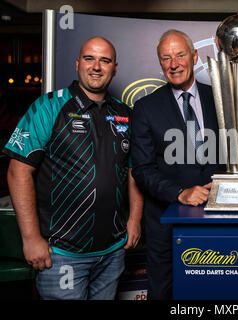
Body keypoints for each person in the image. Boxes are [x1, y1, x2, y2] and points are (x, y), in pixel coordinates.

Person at [131, 29, 238, 300]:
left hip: (216, 219)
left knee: (214, 292)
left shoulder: (221, 98)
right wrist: (179, 193)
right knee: (163, 291)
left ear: (195, 56)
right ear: (160, 63)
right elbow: (142, 170)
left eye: (180, 55)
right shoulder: (145, 108)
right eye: (166, 58)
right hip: (165, 223)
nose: (173, 63)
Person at [3, 37, 143, 300]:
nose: (96, 66)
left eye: (105, 60)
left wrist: (134, 220)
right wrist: (31, 238)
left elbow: (133, 171)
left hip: (113, 251)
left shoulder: (125, 114)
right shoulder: (49, 107)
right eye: (89, 58)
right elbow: (18, 171)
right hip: (61, 254)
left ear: (115, 67)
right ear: (77, 63)